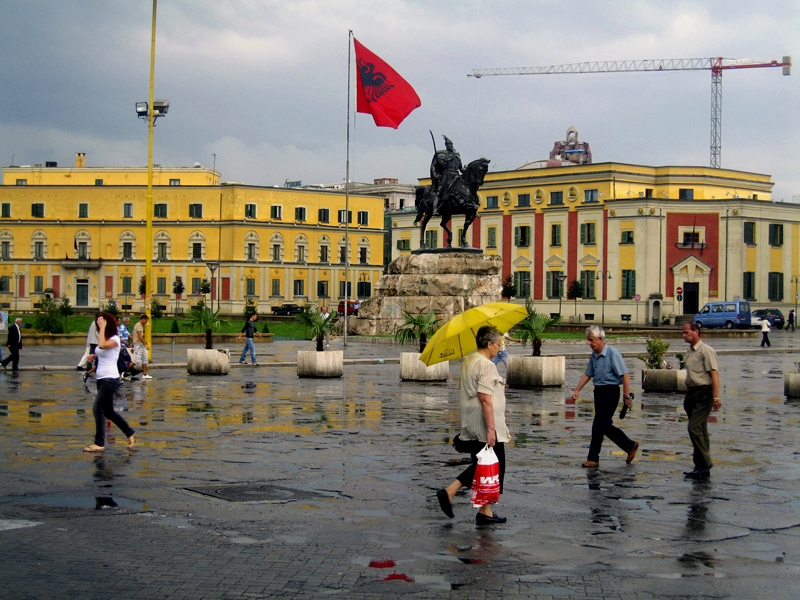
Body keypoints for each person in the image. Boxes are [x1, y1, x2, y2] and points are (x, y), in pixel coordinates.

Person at [436, 326, 510, 525]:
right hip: (483, 425)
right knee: (492, 466)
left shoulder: (469, 360)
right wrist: (492, 430)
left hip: (471, 421)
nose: (500, 348)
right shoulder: (486, 365)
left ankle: (485, 512)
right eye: (498, 344)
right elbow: (485, 399)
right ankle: (450, 491)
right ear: (489, 344)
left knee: (485, 466)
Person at [571, 325, 638, 468]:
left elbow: (625, 374)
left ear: (600, 339)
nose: (589, 343)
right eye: (588, 340)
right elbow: (588, 373)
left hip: (611, 392)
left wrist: (626, 396)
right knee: (605, 425)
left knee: (598, 425)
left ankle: (593, 458)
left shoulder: (613, 353)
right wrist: (577, 390)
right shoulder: (594, 355)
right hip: (599, 392)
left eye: (591, 340)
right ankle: (629, 445)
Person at [83, 312, 135, 452]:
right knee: (109, 411)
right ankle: (129, 432)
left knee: (97, 409)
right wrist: (93, 356)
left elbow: (102, 344)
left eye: (99, 324)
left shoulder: (115, 339)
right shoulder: (106, 338)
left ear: (107, 325)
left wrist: (103, 327)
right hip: (101, 379)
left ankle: (99, 443)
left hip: (110, 379)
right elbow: (103, 351)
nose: (98, 327)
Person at [681, 322, 721, 479]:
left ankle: (705, 462)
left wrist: (716, 397)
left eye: (686, 333)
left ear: (696, 332)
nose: (683, 336)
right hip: (692, 394)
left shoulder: (706, 351)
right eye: (683, 333)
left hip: (704, 394)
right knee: (700, 430)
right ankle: (700, 467)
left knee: (694, 428)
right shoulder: (689, 351)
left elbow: (714, 375)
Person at [430, 135, 463, 217]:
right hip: (446, 176)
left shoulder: (456, 156)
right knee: (440, 191)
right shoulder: (441, 155)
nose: (451, 146)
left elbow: (461, 169)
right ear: (446, 145)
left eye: (451, 144)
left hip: (456, 176)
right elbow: (434, 166)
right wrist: (436, 175)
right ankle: (435, 208)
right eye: (449, 145)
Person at [133, 314, 152, 379]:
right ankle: (123, 370)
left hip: (139, 344)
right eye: (146, 321)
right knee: (136, 361)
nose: (146, 322)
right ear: (143, 319)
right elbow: (140, 336)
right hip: (138, 344)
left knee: (145, 358)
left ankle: (145, 374)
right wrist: (145, 344)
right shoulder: (139, 326)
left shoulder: (137, 325)